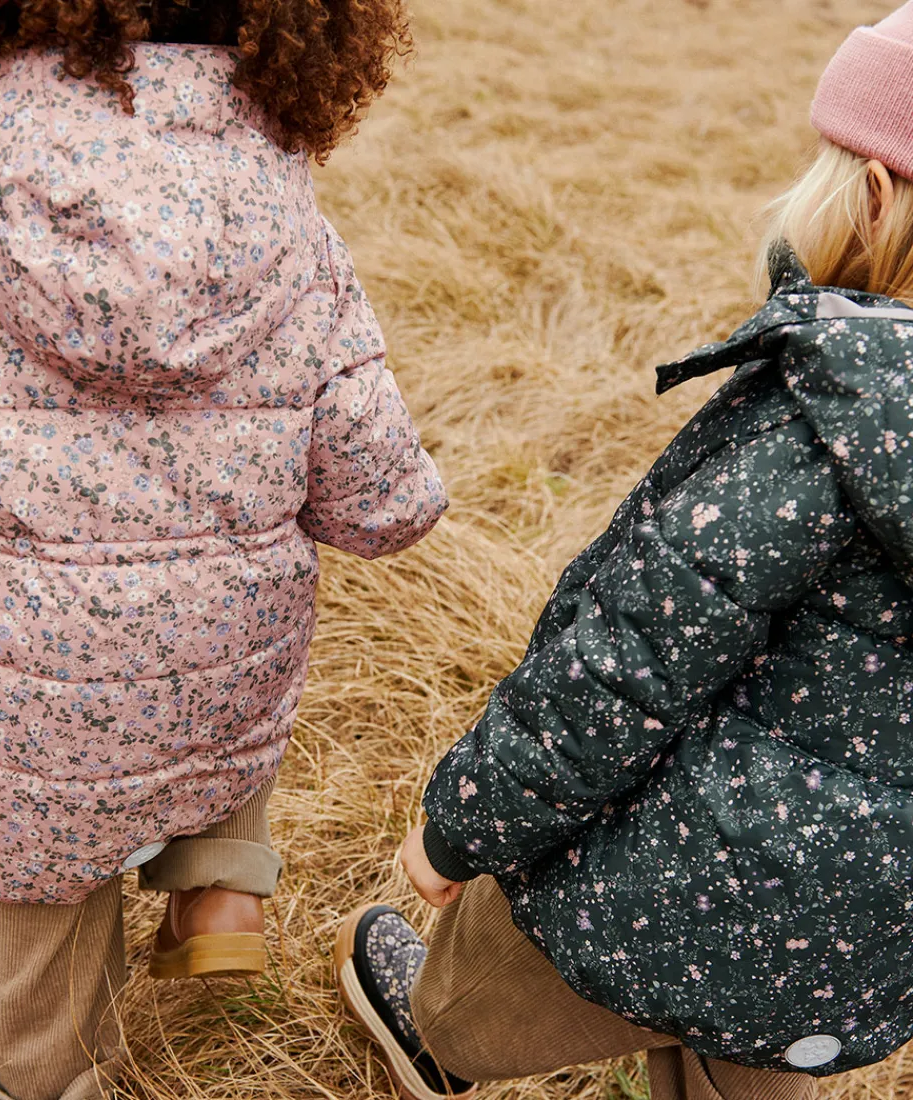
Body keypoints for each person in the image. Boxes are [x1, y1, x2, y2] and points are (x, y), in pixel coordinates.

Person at [336, 5, 913, 1099]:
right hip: (867, 934)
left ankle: (429, 1037)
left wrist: (460, 827)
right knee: (758, 1032)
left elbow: (627, 666)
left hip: (693, 892)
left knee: (496, 988)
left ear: (870, 194)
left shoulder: (833, 420)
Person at [0, 0, 444, 1096]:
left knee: (37, 881)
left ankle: (50, 1072)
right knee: (209, 704)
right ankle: (218, 884)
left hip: (34, 682)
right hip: (218, 651)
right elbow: (376, 499)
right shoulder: (285, 217)